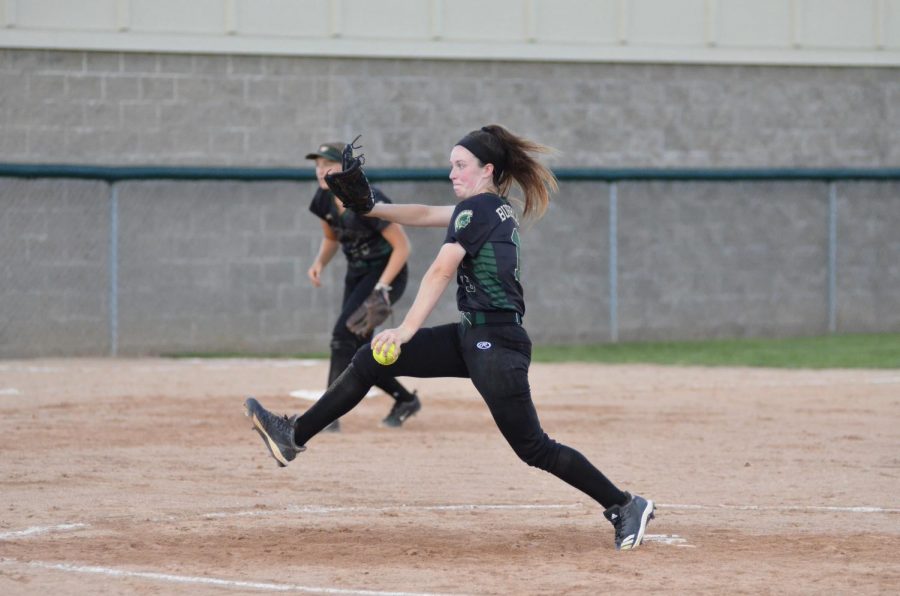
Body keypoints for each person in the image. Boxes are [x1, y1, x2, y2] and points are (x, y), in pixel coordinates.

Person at [246, 125, 655, 551]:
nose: (452, 173)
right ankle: (292, 435)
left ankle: (625, 504)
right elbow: (423, 213)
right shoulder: (490, 207)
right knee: (371, 358)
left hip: (496, 344)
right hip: (474, 336)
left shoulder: (476, 210)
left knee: (534, 447)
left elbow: (441, 269)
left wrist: (405, 330)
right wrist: (372, 206)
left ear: (487, 169)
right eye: (451, 165)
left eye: (461, 165)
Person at [304, 141, 421, 430]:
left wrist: (382, 286)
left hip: (387, 274)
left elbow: (403, 248)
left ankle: (326, 414)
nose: (321, 171)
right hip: (357, 274)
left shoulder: (366, 199)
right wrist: (320, 262)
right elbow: (332, 237)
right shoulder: (323, 199)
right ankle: (405, 399)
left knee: (342, 336)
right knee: (357, 348)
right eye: (318, 166)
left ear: (345, 169)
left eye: (327, 165)